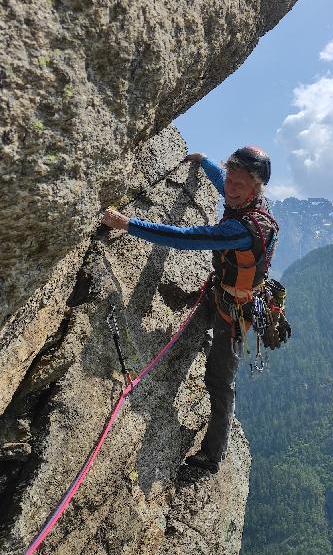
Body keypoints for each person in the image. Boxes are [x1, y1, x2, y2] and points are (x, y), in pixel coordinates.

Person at [101, 146, 281, 473]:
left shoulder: (240, 229)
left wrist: (128, 224)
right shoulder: (254, 206)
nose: (230, 186)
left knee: (220, 380)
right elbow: (223, 183)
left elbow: (186, 239)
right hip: (227, 295)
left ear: (255, 188)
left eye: (239, 183)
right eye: (230, 177)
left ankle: (213, 456)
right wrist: (204, 163)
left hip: (234, 310)